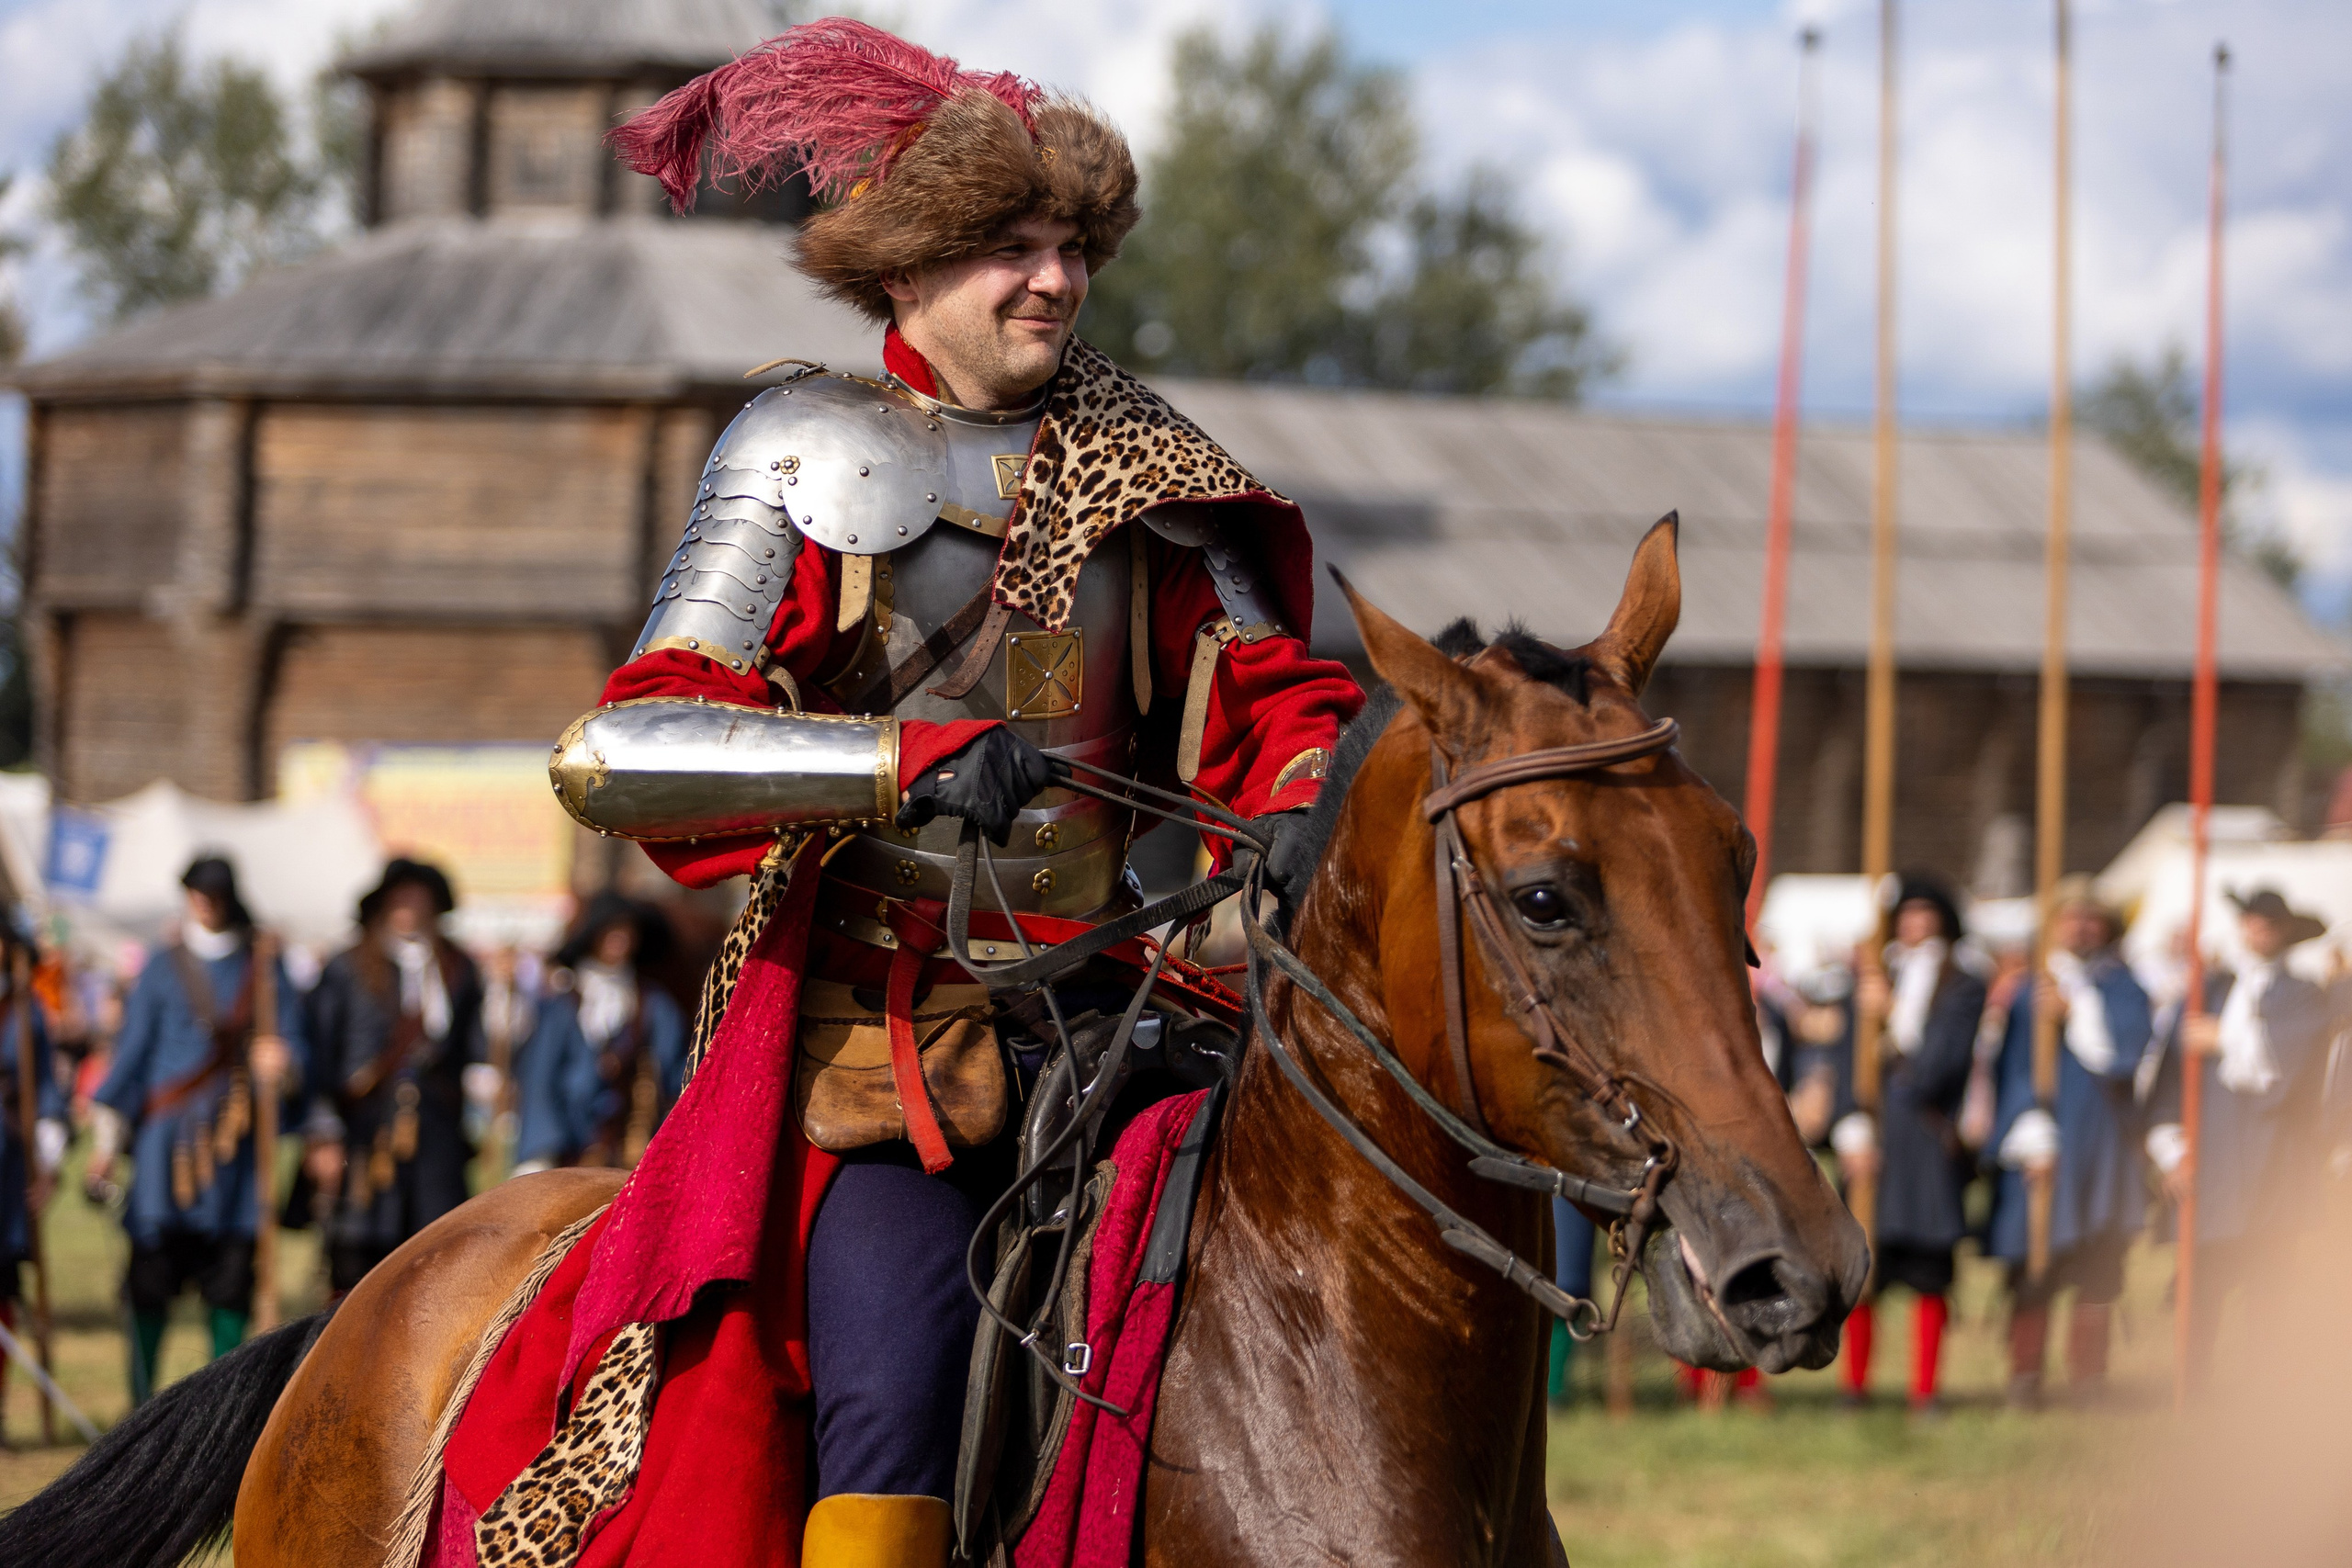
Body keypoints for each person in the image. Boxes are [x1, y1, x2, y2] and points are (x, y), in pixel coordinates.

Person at [443, 22, 1363, 1564]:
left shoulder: (1150, 468)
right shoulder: (803, 449)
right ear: (911, 268)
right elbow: (622, 750)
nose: (1057, 283)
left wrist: (1302, 796)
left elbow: (1284, 698)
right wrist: (903, 764)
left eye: (1074, 246)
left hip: (1131, 1012)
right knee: (895, 1396)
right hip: (886, 1050)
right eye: (1011, 247)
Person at [88, 856, 306, 1402]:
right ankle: (141, 1409)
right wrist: (107, 1144)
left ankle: (220, 1415)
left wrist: (281, 1063)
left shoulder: (264, 965)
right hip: (165, 1150)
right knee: (150, 1279)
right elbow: (131, 1061)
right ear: (187, 895)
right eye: (197, 891)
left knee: (230, 1281)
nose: (205, 901)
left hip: (234, 1156)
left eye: (214, 892)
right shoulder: (162, 967)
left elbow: (297, 1047)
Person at [2143, 888, 2335, 1391]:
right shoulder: (2205, 991)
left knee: (2267, 1289)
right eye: (2253, 920)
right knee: (2201, 1289)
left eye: (2272, 922)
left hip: (2273, 1167)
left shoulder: (2304, 996)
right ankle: (2195, 1391)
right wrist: (2172, 1152)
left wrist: (2222, 1038)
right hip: (2211, 1165)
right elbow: (2165, 1086)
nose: (2261, 929)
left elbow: (2283, 1067)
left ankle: (2259, 1402)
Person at [1986, 877, 2154, 1408]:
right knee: (2034, 1263)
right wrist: (2028, 1130)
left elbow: (2124, 1059)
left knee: (2099, 1268)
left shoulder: (2124, 988)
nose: (2081, 927)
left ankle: (2088, 1383)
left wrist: (2076, 1011)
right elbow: (2007, 1070)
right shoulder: (2027, 993)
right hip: (2045, 1144)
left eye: (2091, 918)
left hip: (2103, 1147)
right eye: (2070, 917)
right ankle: (2025, 1379)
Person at [1829, 875, 1986, 1414]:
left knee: (1928, 1272)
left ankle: (1926, 1392)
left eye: (1927, 914)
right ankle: (1855, 1388)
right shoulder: (1872, 977)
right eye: (1908, 913)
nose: (1916, 923)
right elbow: (1846, 1063)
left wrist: (1891, 1011)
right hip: (1873, 1144)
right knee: (1864, 1272)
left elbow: (1935, 1069)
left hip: (1925, 1146)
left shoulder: (1962, 985)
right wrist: (1851, 1129)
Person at [305, 858, 485, 1296]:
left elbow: (474, 1048)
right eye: (400, 897)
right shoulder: (346, 967)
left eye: (418, 898)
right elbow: (320, 1055)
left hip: (435, 1134)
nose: (409, 907)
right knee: (355, 1260)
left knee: (435, 1251)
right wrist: (323, 1132)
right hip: (363, 1130)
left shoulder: (458, 967)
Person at [513, 894, 686, 1173]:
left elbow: (677, 1074)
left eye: (627, 930)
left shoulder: (653, 1003)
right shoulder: (562, 1005)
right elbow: (539, 1078)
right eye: (612, 930)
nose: (620, 939)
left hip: (632, 1148)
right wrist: (541, 1152)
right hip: (566, 1147)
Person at [0, 919, 65, 1430]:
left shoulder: (26, 1013)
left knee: (3, 1291)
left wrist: (47, 1163)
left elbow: (45, 1093)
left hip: (6, 1167)